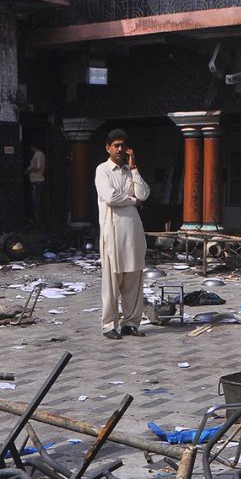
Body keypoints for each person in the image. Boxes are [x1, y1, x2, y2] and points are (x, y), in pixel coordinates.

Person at [95, 128, 150, 340]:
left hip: (133, 232)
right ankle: (109, 325)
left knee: (134, 279)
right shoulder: (103, 170)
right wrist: (133, 201)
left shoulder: (129, 170)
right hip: (113, 231)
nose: (119, 149)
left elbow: (144, 193)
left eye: (122, 146)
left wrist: (134, 168)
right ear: (108, 148)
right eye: (116, 145)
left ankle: (130, 323)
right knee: (112, 281)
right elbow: (110, 197)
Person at [25, 144, 46, 225]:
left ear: (34, 147)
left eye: (31, 148)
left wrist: (28, 169)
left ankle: (38, 222)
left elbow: (38, 166)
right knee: (38, 201)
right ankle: (39, 221)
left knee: (36, 202)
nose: (30, 150)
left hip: (37, 181)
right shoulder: (41, 154)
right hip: (38, 180)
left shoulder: (37, 154)